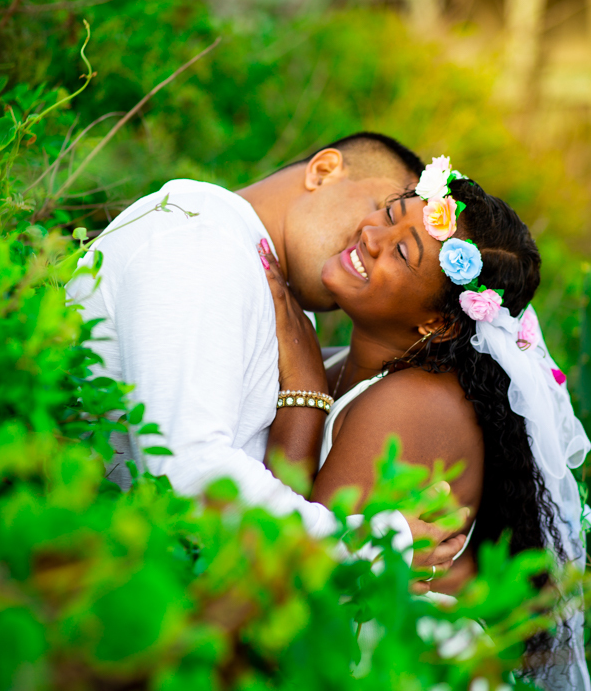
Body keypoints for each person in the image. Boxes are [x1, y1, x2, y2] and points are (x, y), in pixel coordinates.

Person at [263, 155, 591, 691]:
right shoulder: (368, 374)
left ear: (439, 326)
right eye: (388, 214)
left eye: (403, 249)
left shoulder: (408, 402)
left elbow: (288, 569)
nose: (372, 238)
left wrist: (300, 401)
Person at [67, 133, 465, 572]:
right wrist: (367, 553)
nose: (370, 233)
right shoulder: (199, 236)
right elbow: (189, 472)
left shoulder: (278, 297)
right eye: (383, 208)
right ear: (324, 170)